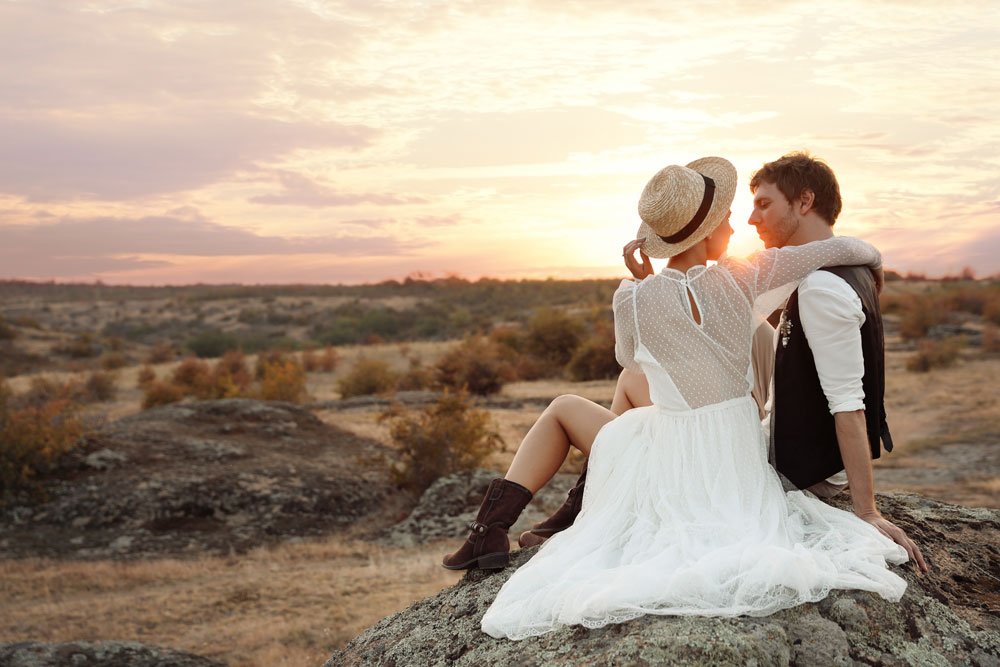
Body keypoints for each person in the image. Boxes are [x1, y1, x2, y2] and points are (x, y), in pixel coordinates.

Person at [441, 156, 911, 640]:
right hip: (734, 453)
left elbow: (631, 355)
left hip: (677, 446)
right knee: (625, 408)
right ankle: (569, 508)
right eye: (725, 218)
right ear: (707, 233)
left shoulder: (632, 299)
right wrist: (873, 261)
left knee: (574, 405)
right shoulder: (747, 275)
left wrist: (647, 286)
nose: (735, 223)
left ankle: (497, 529)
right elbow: (840, 247)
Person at [518, 154, 928, 574]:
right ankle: (590, 502)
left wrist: (867, 511)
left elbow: (848, 405)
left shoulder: (819, 287)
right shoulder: (785, 274)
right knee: (637, 383)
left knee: (626, 393)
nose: (750, 220)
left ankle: (588, 504)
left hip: (796, 459)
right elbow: (702, 324)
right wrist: (875, 260)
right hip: (768, 424)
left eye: (764, 204)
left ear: (804, 202)